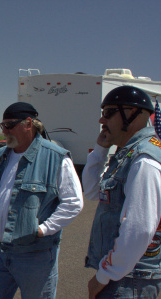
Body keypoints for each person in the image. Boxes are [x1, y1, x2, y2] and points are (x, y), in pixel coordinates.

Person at [0, 102, 83, 299]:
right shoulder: (1, 156)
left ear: (28, 124)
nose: (5, 131)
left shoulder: (55, 158)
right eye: (2, 126)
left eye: (10, 125)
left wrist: (44, 229)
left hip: (35, 255)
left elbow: (73, 202)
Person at [82, 86, 161, 298]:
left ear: (132, 114)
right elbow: (91, 192)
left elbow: (140, 228)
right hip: (123, 273)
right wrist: (100, 150)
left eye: (108, 112)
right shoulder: (128, 154)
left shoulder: (144, 160)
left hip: (129, 279)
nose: (101, 120)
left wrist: (103, 277)